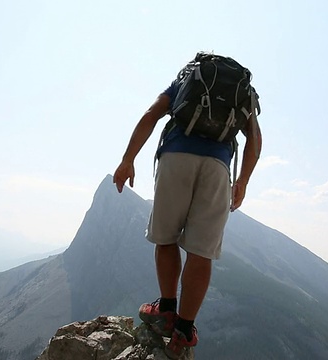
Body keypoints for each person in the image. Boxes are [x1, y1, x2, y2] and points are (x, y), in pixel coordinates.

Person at [113, 55, 262, 359]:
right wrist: (243, 180)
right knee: (201, 251)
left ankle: (167, 309)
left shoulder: (186, 80)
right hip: (218, 167)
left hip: (176, 158)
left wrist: (128, 159)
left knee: (166, 237)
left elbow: (152, 114)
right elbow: (255, 139)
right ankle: (184, 330)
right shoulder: (241, 92)